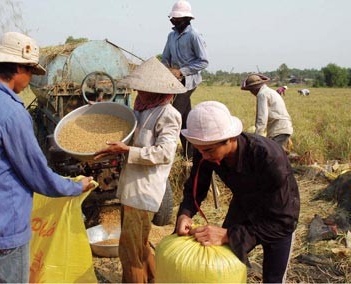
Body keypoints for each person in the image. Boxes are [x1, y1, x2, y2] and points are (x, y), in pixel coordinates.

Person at [0, 32, 95, 283]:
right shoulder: (12, 113)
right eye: (30, 73)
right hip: (3, 224)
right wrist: (74, 187)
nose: (30, 80)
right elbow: (38, 175)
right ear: (18, 68)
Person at [175, 101, 300, 283]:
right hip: (243, 205)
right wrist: (185, 213)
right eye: (199, 149)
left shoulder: (269, 158)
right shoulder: (205, 149)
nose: (204, 156)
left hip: (277, 217)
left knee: (273, 278)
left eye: (208, 150)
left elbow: (284, 222)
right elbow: (196, 186)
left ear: (231, 138)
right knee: (225, 265)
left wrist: (228, 235)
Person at [94, 57, 186, 283]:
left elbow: (164, 153)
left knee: (129, 253)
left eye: (142, 88)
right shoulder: (141, 109)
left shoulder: (168, 114)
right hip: (131, 189)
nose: (137, 91)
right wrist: (99, 110)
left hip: (144, 192)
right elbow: (123, 127)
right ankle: (155, 279)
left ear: (155, 90)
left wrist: (127, 151)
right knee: (141, 246)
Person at [161, 0, 208, 159]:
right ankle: (190, 154)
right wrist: (165, 69)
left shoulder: (194, 36)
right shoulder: (171, 36)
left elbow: (203, 61)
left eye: (177, 19)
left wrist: (181, 71)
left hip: (188, 82)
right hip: (175, 82)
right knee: (185, 117)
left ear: (187, 19)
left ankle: (166, 152)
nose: (173, 21)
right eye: (173, 18)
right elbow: (165, 57)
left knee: (175, 114)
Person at [241, 73, 293, 152]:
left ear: (253, 88)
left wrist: (256, 137)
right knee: (278, 152)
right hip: (284, 127)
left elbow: (262, 118)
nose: (251, 93)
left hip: (278, 129)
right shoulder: (270, 91)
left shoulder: (262, 95)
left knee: (271, 154)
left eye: (250, 90)